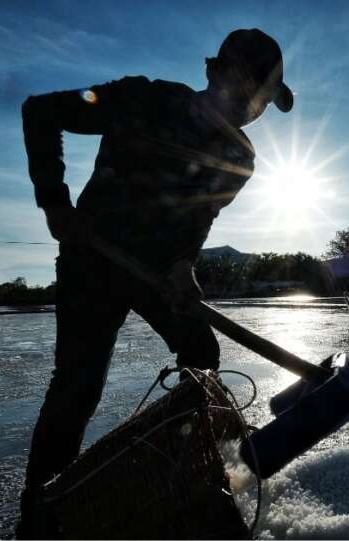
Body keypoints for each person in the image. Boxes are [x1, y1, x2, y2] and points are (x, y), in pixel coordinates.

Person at [16, 29, 293, 538]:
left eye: (266, 101)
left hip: (154, 272)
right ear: (220, 72)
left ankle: (182, 477)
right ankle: (38, 517)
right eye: (255, 91)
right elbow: (41, 110)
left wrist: (184, 264)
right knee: (77, 388)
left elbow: (200, 216)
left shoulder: (242, 156)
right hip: (92, 260)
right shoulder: (141, 98)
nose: (257, 109)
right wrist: (54, 201)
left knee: (201, 353)